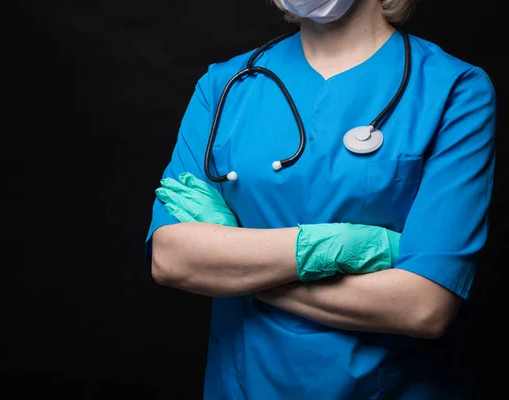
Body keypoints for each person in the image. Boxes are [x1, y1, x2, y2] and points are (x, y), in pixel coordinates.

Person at [145, 0, 497, 398]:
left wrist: (233, 271)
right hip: (244, 386)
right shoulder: (225, 86)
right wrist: (339, 247)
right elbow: (171, 258)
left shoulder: (454, 90)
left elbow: (424, 306)